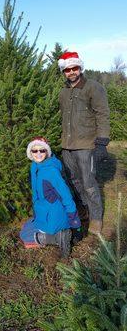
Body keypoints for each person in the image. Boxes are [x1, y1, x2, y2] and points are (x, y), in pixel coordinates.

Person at [58, 51, 110, 235]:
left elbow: (102, 114)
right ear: (63, 71)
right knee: (74, 180)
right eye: (67, 69)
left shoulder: (92, 87)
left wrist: (102, 142)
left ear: (80, 68)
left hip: (86, 145)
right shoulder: (63, 92)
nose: (71, 72)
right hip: (67, 146)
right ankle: (85, 210)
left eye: (74, 68)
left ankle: (96, 218)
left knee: (88, 182)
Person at [20, 136, 81, 257]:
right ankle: (60, 233)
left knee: (25, 236)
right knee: (26, 227)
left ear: (47, 151)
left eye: (42, 150)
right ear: (30, 152)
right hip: (44, 211)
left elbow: (66, 196)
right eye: (34, 150)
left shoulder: (50, 171)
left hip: (53, 214)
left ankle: (59, 237)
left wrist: (75, 221)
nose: (38, 153)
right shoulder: (35, 166)